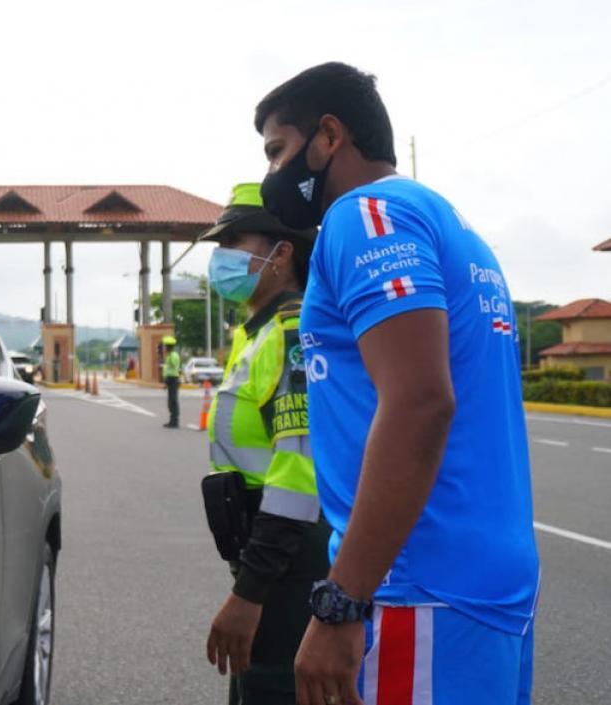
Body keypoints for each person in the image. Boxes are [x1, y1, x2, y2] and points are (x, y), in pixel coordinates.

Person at [254, 62, 538, 705]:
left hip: (417, 585)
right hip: (486, 578)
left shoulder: (367, 216)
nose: (274, 174)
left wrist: (341, 601)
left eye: (278, 150)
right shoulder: (446, 220)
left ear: (329, 136)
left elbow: (419, 402)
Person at [200, 182, 328, 704]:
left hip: (289, 566)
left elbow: (298, 473)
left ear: (281, 253)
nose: (221, 258)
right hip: (267, 554)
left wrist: (251, 592)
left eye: (235, 243)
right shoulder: (253, 333)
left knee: (275, 690)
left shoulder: (291, 333)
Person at [161, 335, 182, 427]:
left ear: (168, 347)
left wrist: (169, 358)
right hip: (170, 379)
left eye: (165, 346)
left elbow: (173, 365)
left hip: (173, 379)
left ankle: (175, 422)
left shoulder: (173, 355)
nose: (164, 347)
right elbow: (167, 369)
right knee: (170, 401)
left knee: (173, 401)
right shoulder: (170, 355)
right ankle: (171, 420)